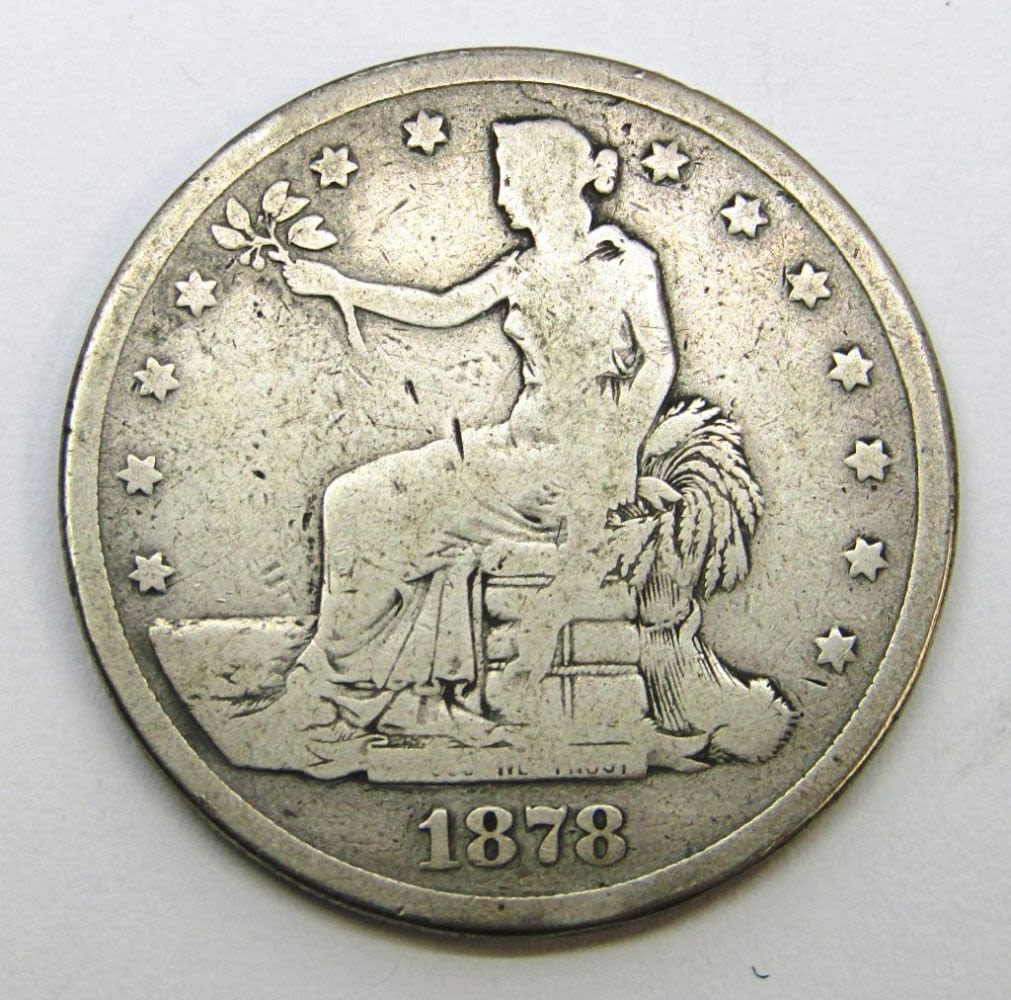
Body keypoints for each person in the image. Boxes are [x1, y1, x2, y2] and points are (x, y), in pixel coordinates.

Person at [261, 118, 676, 764]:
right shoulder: (521, 269)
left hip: (563, 473)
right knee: (353, 498)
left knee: (374, 509)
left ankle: (343, 690)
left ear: (544, 182)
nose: (502, 198)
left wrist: (616, 450)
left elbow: (658, 362)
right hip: (511, 451)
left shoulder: (625, 267)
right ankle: (407, 695)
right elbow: (441, 307)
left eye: (509, 179)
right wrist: (342, 288)